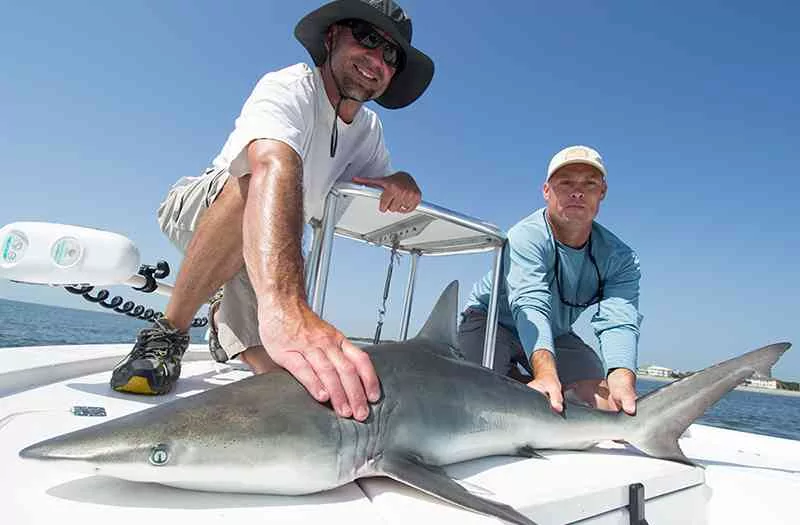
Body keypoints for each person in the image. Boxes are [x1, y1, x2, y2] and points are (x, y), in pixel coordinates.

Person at [109, 0, 435, 424]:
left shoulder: (369, 130)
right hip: (201, 205)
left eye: (390, 53)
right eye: (367, 38)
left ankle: (234, 336)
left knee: (283, 373)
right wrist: (287, 309)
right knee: (255, 186)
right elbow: (270, 164)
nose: (376, 58)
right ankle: (168, 333)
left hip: (270, 234)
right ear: (333, 36)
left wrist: (402, 179)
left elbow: (381, 180)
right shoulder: (291, 86)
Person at [458, 145, 643, 415]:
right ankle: (520, 381)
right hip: (491, 320)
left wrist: (622, 374)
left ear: (602, 192)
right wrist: (545, 373)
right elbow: (530, 304)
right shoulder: (526, 235)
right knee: (477, 395)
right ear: (546, 191)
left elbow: (620, 319)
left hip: (555, 331)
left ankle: (521, 383)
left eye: (589, 184)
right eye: (565, 183)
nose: (577, 192)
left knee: (600, 388)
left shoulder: (621, 258)